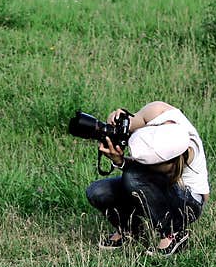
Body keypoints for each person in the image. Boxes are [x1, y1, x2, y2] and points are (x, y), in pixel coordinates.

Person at [85, 101, 209, 256]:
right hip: (153, 188)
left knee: (133, 177)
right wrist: (114, 122)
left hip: (188, 202)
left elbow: (145, 174)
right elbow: (125, 124)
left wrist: (122, 162)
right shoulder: (158, 111)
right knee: (98, 191)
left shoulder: (187, 151)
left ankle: (172, 233)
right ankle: (129, 231)